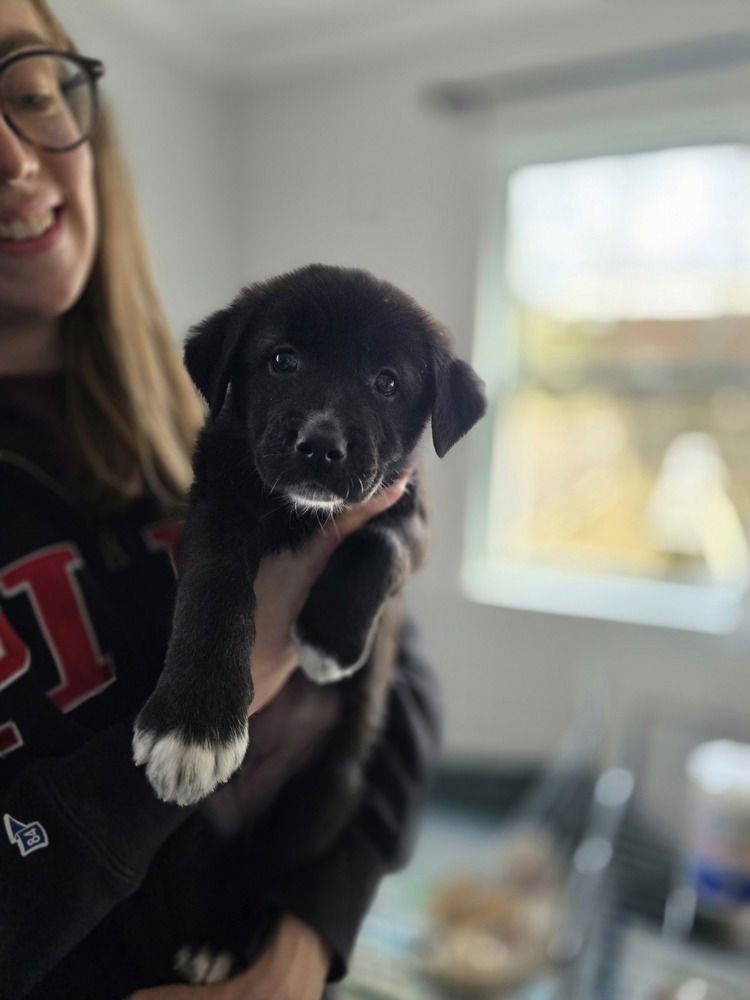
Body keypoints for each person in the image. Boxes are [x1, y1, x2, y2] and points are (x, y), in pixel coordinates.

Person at [0, 2, 441, 997]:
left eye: (30, 93)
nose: (13, 158)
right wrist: (248, 664)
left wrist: (305, 942)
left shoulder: (201, 396)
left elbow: (402, 675)